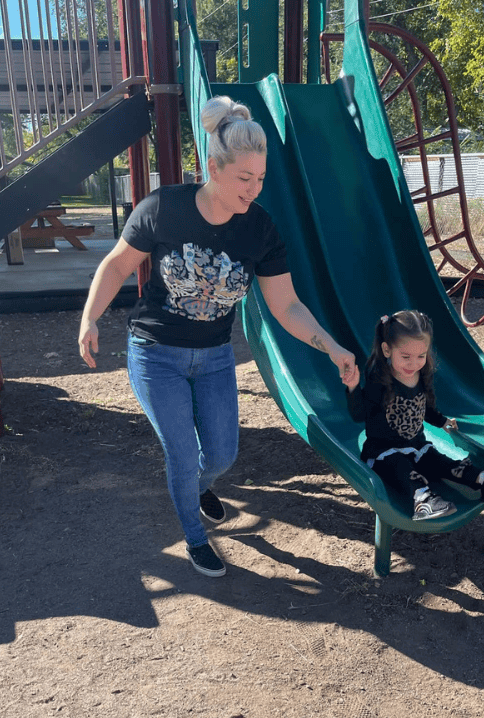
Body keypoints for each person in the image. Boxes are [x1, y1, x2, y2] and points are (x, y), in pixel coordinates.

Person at [78, 96, 357, 576]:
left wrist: (331, 346)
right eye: (244, 179)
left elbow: (286, 304)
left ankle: (196, 484)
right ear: (212, 167)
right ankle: (194, 536)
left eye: (261, 178)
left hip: (213, 357)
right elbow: (118, 264)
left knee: (222, 454)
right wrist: (90, 318)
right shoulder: (164, 207)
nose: (254, 190)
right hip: (155, 353)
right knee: (182, 452)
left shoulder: (261, 229)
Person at [344, 310, 484, 520]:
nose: (414, 363)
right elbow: (359, 415)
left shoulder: (421, 375)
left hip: (417, 447)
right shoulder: (379, 380)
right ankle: (423, 500)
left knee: (442, 462)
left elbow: (424, 408)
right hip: (383, 452)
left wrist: (442, 421)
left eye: (421, 356)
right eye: (406, 357)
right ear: (387, 350)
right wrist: (353, 388)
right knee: (402, 467)